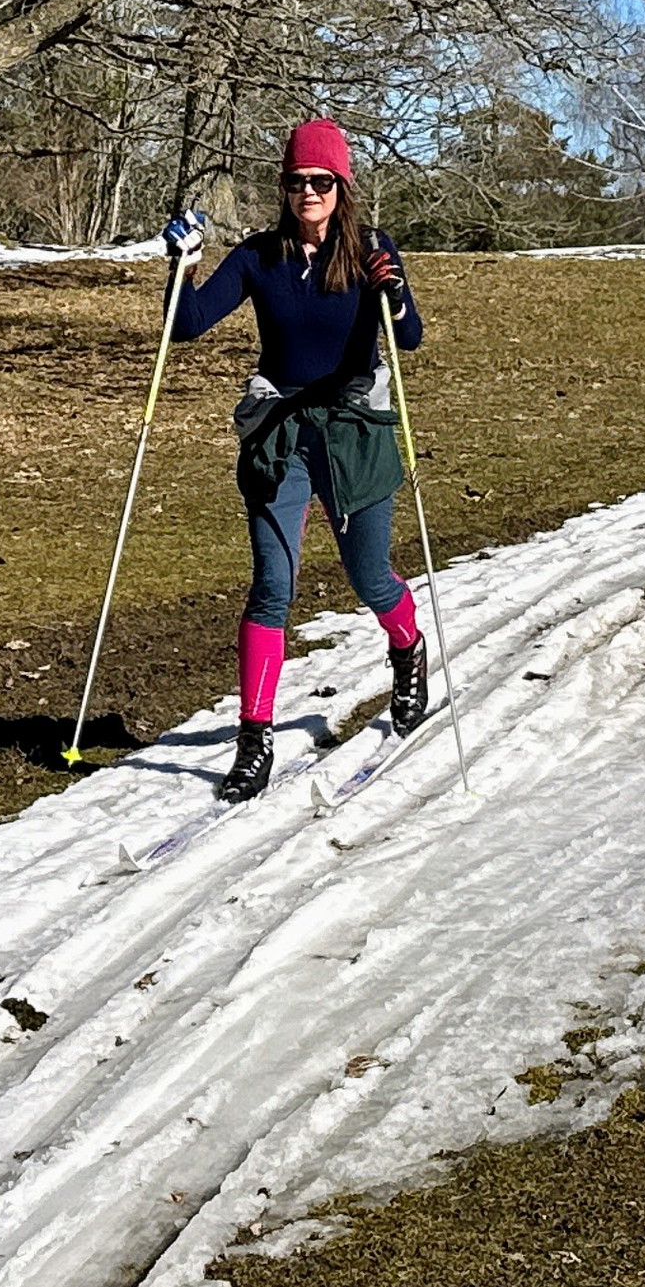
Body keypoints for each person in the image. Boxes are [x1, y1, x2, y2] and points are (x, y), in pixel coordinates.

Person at [160, 118, 426, 801]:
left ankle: (407, 648)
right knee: (271, 587)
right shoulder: (260, 256)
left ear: (341, 187)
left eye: (321, 181)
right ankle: (254, 740)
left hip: (353, 432)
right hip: (280, 433)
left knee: (370, 578)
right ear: (283, 187)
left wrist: (394, 294)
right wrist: (182, 264)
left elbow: (409, 338)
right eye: (296, 181)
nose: (308, 192)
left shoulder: (370, 250)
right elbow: (186, 325)